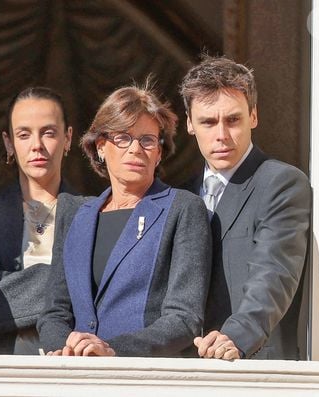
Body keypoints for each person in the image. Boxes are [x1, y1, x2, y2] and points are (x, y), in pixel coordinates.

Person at [37, 83, 212, 357]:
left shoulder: (183, 208)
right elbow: (54, 312)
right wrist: (65, 352)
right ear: (101, 147)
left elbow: (184, 318)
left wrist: (111, 351)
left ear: (159, 152)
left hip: (144, 377)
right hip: (76, 377)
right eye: (123, 138)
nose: (135, 149)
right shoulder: (75, 215)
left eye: (147, 140)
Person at [180, 55, 311, 360]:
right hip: (187, 371)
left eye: (233, 119)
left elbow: (274, 271)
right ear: (189, 123)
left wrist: (237, 336)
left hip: (254, 364)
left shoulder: (281, 182)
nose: (222, 135)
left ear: (253, 116)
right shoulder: (180, 195)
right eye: (208, 122)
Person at [0, 87, 84, 354]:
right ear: (9, 143)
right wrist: (67, 282)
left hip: (71, 365)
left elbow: (93, 297)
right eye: (24, 134)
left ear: (68, 138)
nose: (37, 145)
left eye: (49, 132)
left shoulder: (93, 214)